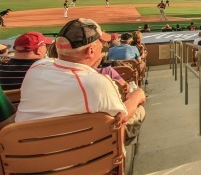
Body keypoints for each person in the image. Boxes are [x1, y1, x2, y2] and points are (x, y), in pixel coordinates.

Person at [15, 18, 146, 145]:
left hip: (25, 156)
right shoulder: (97, 82)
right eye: (101, 43)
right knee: (137, 110)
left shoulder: (36, 68)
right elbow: (121, 117)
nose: (104, 47)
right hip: (81, 158)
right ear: (90, 51)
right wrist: (137, 95)